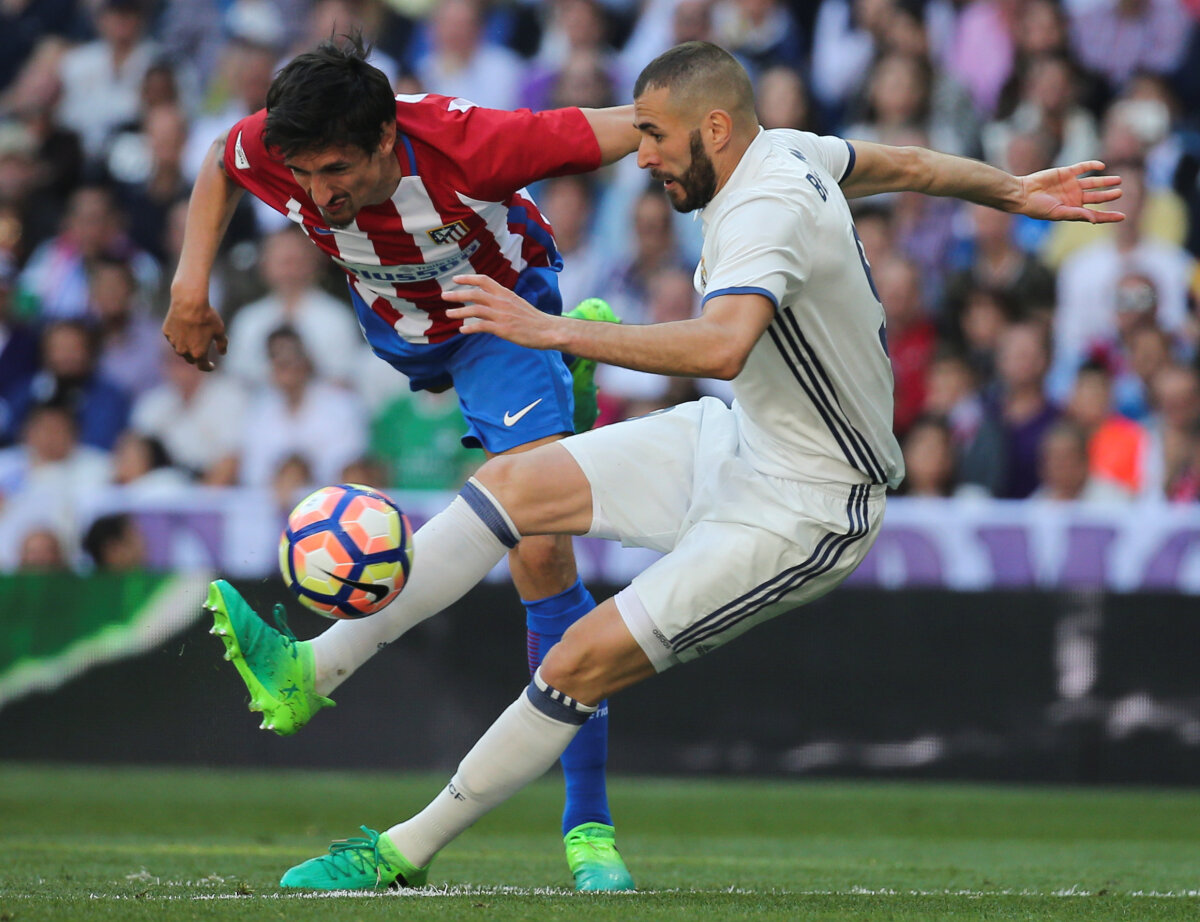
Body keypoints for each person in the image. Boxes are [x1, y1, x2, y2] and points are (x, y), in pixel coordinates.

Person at [201, 41, 1123, 891]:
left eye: (654, 137)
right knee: (509, 489)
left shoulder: (764, 212)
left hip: (807, 506)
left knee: (578, 660)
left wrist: (549, 331)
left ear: (714, 129)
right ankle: (311, 670)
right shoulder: (785, 150)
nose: (639, 159)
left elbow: (722, 346)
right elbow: (905, 165)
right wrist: (1011, 190)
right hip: (737, 440)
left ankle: (404, 850)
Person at [161, 33, 642, 891]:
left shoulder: (475, 145)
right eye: (303, 174)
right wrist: (188, 287)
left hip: (498, 323)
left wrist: (724, 124)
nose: (318, 194)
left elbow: (636, 123)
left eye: (336, 171)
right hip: (400, 333)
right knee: (538, 510)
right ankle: (566, 404)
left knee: (541, 550)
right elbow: (220, 160)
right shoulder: (284, 145)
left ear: (386, 136)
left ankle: (589, 828)